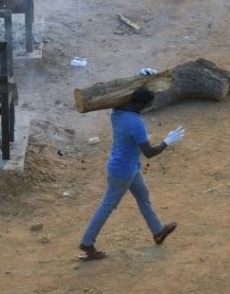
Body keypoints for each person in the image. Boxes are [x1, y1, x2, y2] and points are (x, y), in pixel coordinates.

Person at [78, 86, 185, 260]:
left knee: (143, 196)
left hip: (128, 166)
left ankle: (158, 231)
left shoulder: (117, 112)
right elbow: (149, 153)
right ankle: (87, 242)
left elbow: (125, 92)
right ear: (140, 104)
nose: (147, 108)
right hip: (123, 172)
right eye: (147, 105)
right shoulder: (136, 123)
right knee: (107, 206)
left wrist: (141, 77)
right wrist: (167, 141)